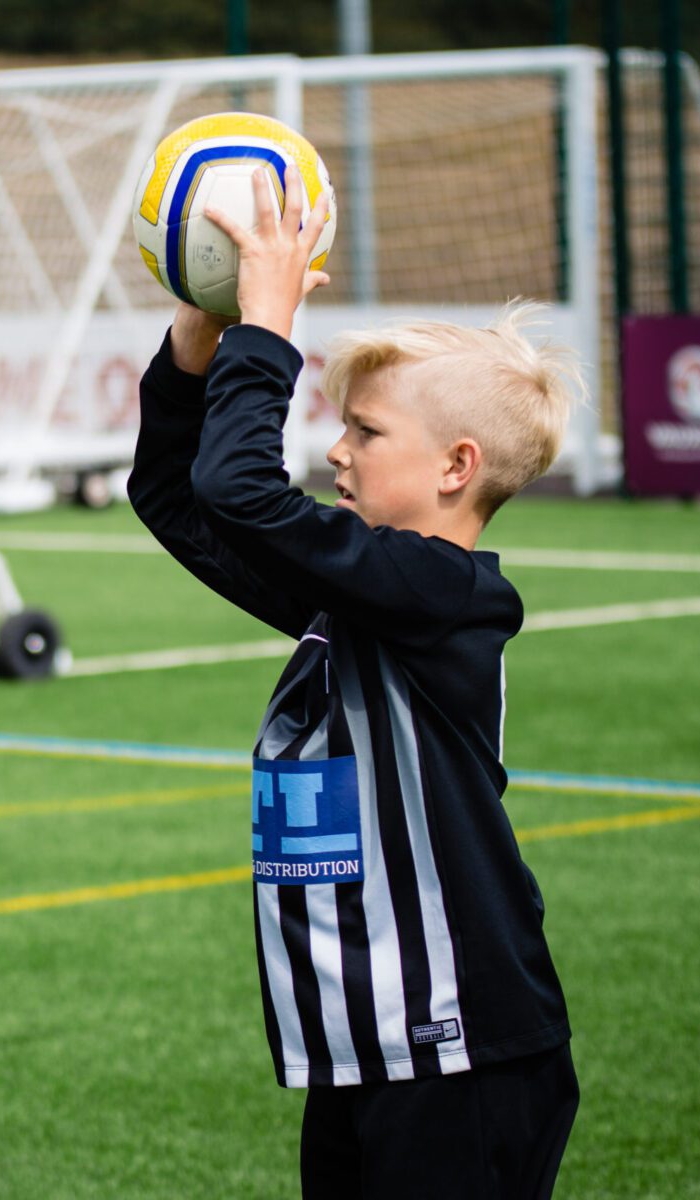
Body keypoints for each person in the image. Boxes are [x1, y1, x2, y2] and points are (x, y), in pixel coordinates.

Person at [129, 167, 581, 1198]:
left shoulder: (441, 594)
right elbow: (176, 495)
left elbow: (238, 488)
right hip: (367, 1042)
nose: (335, 448)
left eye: (366, 432)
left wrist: (268, 326)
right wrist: (201, 332)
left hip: (458, 1049)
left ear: (458, 467)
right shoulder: (363, 602)